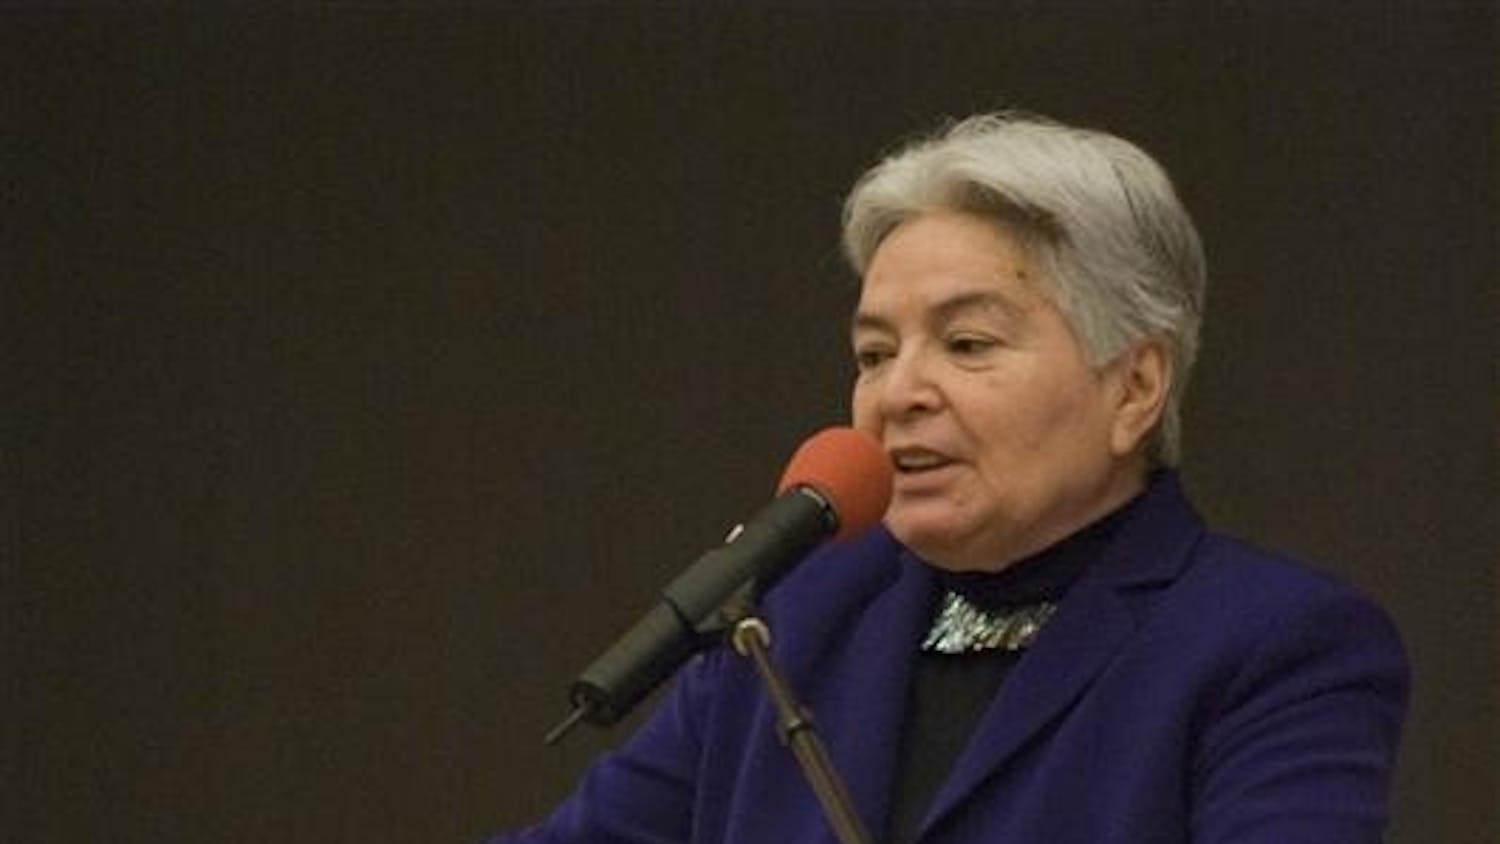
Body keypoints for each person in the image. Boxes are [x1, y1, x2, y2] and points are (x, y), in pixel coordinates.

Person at [490, 112, 1408, 843]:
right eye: (874, 352)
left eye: (967, 344)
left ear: (1133, 389)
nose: (899, 394)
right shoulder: (791, 623)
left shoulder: (1274, 648)